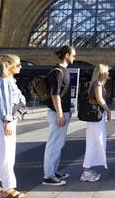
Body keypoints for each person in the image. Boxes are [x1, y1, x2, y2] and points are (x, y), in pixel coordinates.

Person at [0, 54, 27, 198]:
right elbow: (5, 103)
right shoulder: (4, 82)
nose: (21, 67)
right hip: (3, 119)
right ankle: (9, 189)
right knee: (7, 154)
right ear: (9, 65)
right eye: (18, 64)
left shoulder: (8, 80)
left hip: (1, 119)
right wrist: (7, 121)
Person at [42, 45, 76, 186]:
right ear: (67, 55)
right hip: (58, 113)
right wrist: (60, 114)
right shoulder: (57, 72)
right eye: (73, 54)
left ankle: (54, 171)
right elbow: (55, 95)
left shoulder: (64, 71)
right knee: (53, 144)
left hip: (63, 112)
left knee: (59, 144)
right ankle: (48, 176)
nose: (75, 57)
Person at [80, 64, 111, 182]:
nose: (108, 74)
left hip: (95, 119)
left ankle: (87, 170)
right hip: (96, 119)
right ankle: (86, 171)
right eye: (107, 72)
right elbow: (99, 99)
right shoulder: (98, 83)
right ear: (102, 72)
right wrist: (108, 110)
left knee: (94, 142)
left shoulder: (97, 83)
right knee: (94, 143)